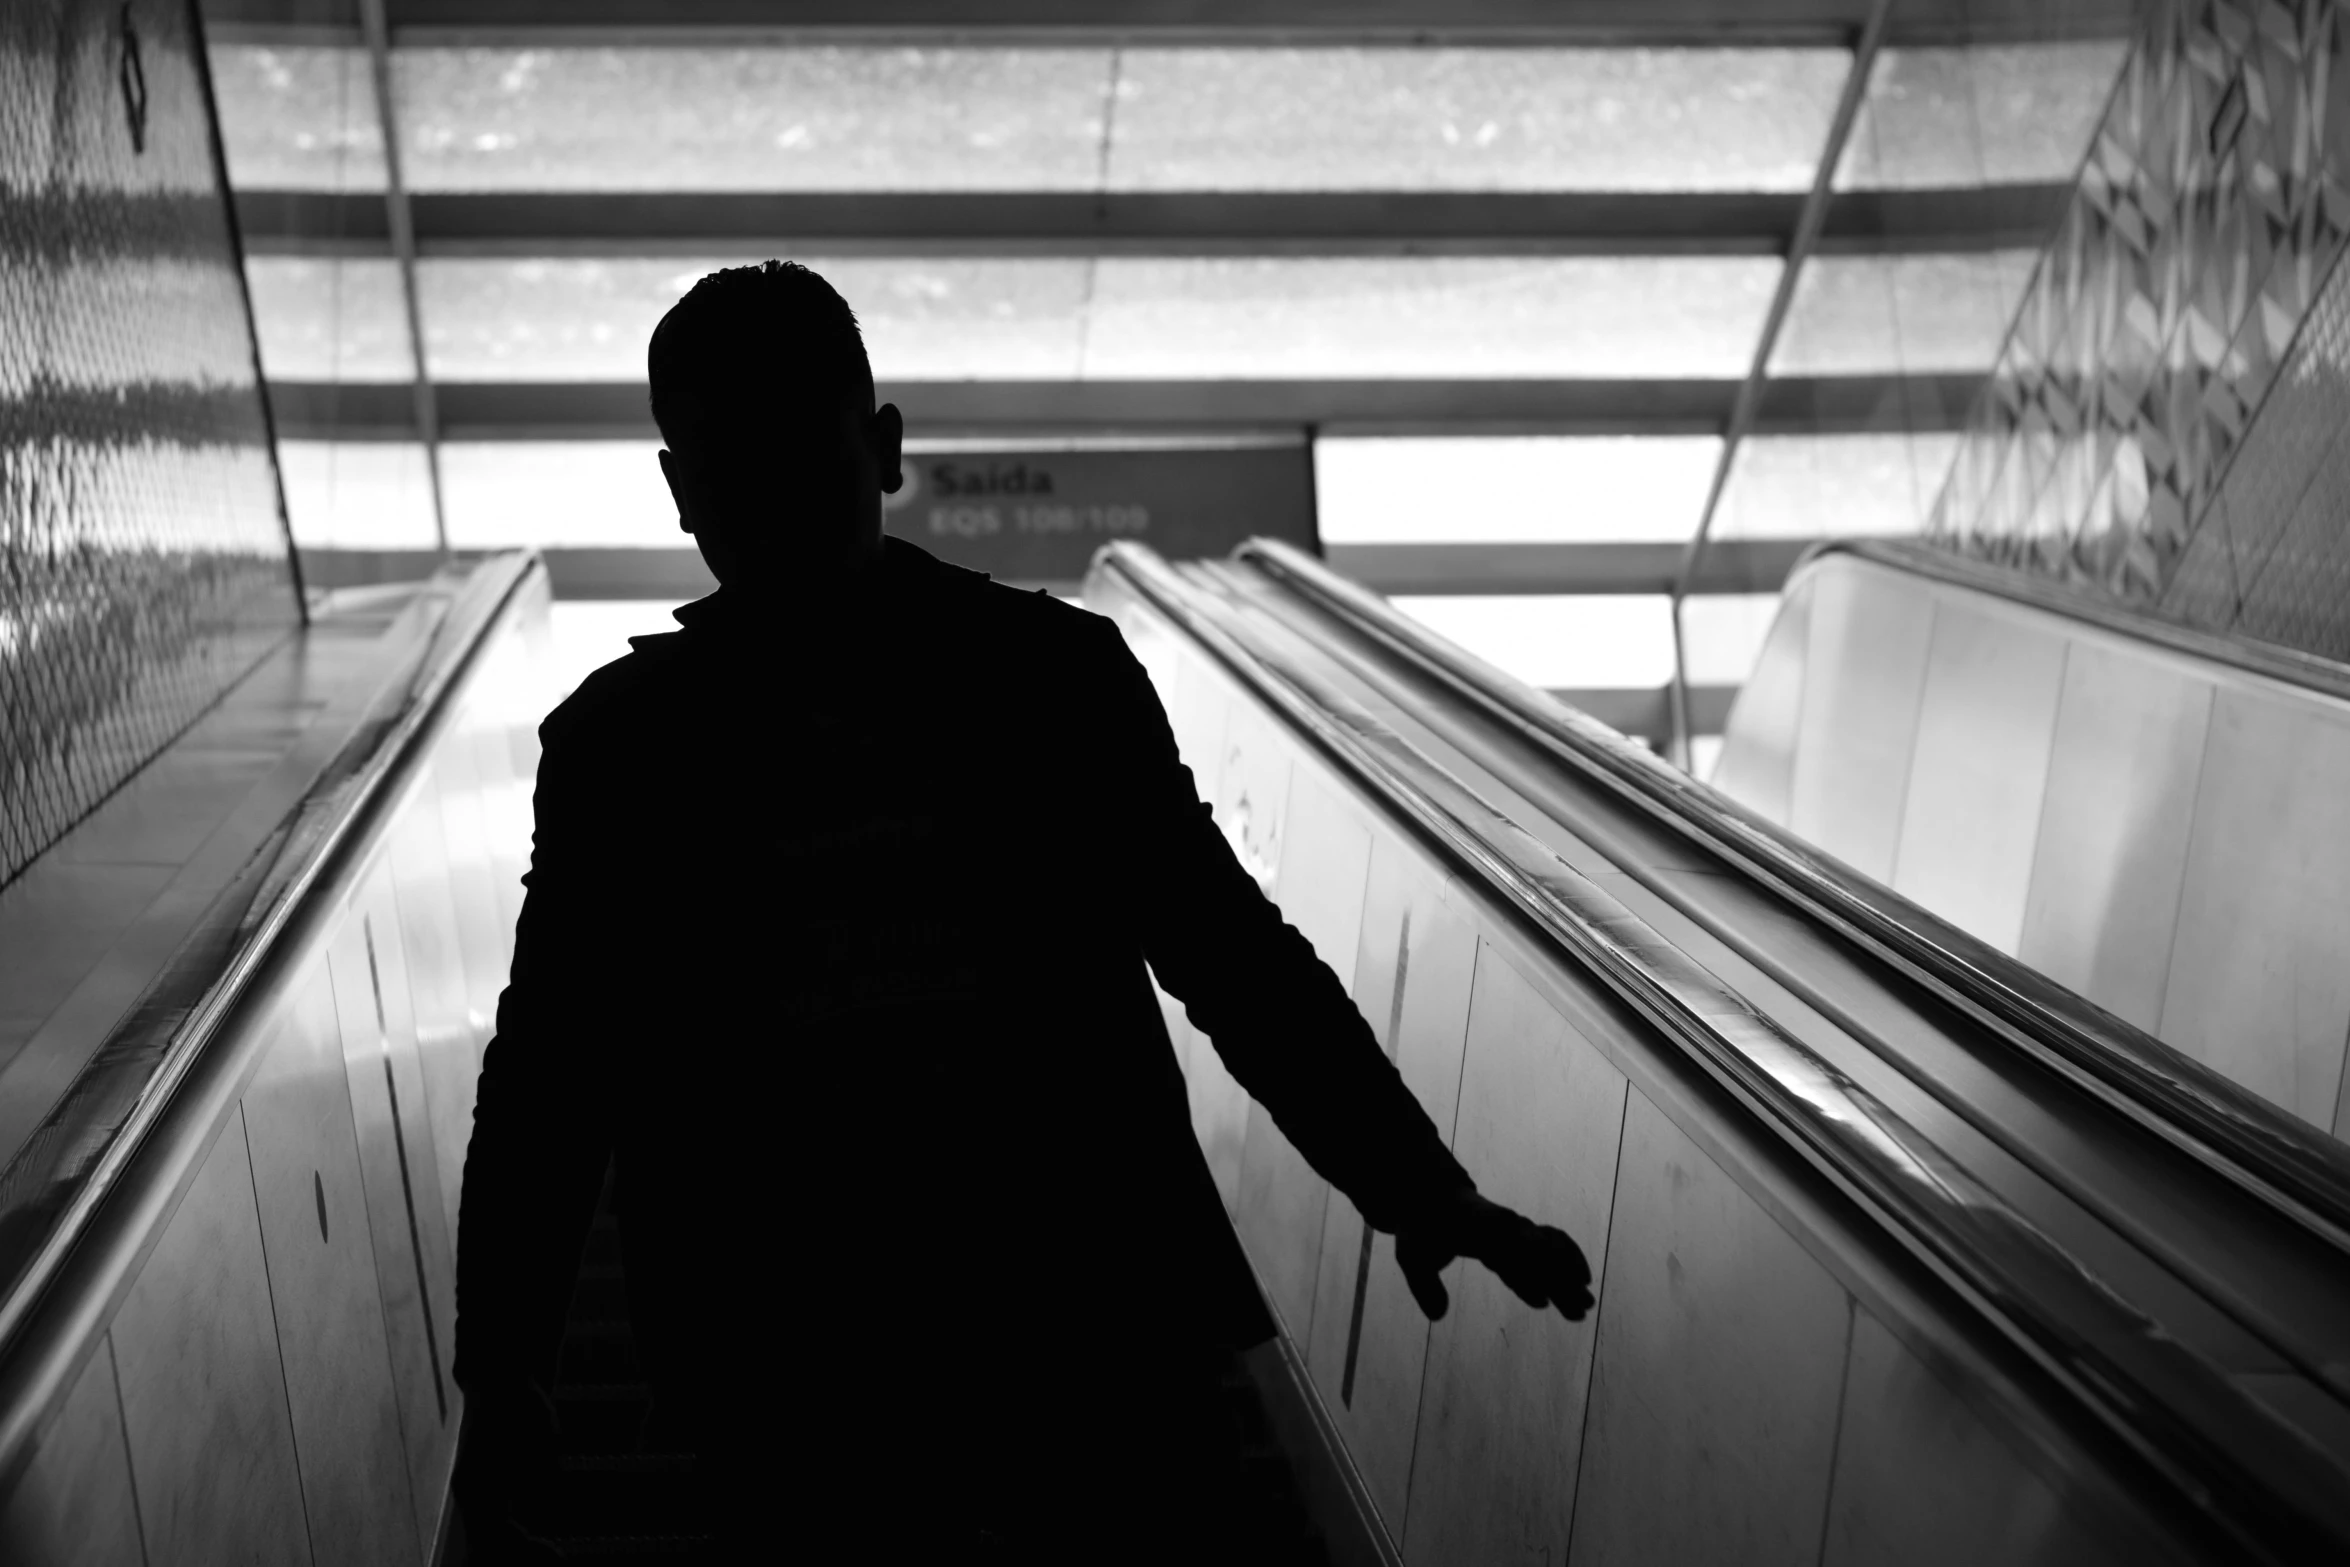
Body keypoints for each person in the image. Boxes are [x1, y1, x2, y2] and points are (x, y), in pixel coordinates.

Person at [452, 260, 1592, 1563]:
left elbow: (1231, 956)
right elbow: (549, 1074)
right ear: (677, 491)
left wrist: (1412, 1181)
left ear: (885, 450)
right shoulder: (631, 747)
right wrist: (502, 1364)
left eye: (794, 456)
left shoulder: (1043, 680)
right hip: (871, 1364)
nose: (764, 502)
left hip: (1018, 1341)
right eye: (732, 466)